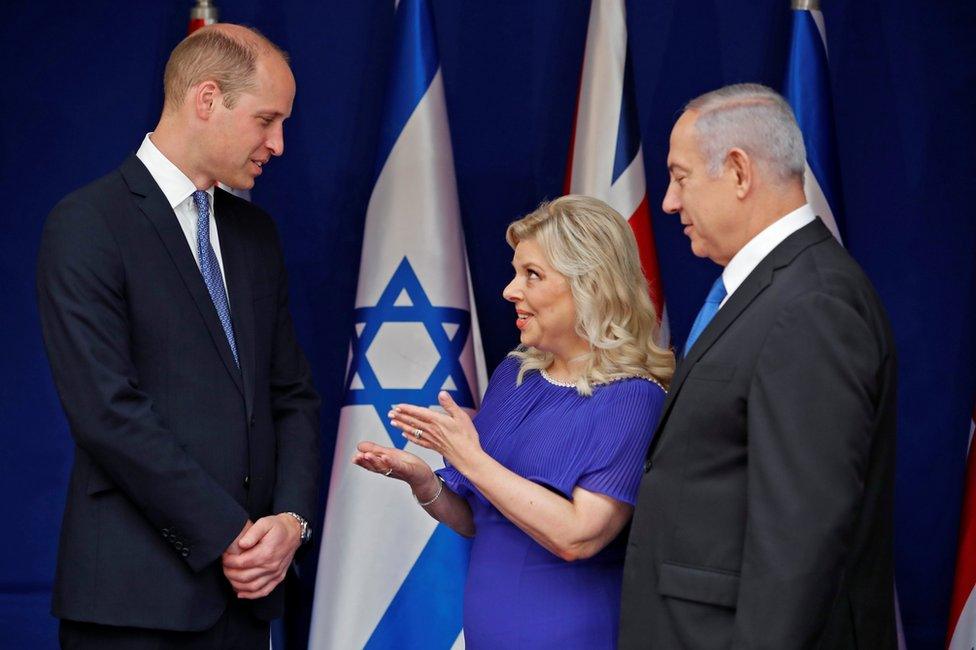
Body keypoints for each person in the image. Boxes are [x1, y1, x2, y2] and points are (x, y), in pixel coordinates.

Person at [36, 25, 320, 649]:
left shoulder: (255, 235)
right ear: (207, 99)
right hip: (132, 607)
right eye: (267, 120)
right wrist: (230, 535)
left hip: (247, 606)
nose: (278, 144)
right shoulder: (87, 225)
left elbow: (291, 395)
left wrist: (290, 524)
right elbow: (107, 412)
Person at [618, 83, 897, 649]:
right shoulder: (770, 292)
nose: (669, 202)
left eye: (681, 176)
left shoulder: (813, 305)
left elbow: (800, 540)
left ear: (739, 172)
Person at [354, 195, 674, 648]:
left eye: (532, 275)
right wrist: (424, 481)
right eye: (515, 271)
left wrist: (469, 457)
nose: (510, 290)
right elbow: (477, 519)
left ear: (591, 285)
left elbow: (577, 537)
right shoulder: (516, 374)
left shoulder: (633, 398)